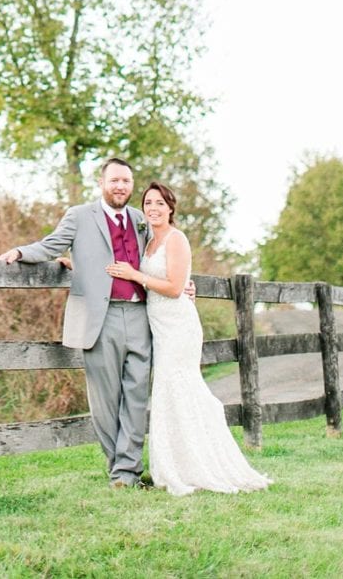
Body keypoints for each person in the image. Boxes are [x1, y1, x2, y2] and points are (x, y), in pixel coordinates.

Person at [0, 157, 167, 488]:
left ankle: (127, 472)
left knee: (136, 397)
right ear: (101, 183)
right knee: (105, 400)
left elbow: (158, 257)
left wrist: (182, 281)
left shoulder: (139, 219)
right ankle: (120, 469)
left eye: (126, 182)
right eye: (115, 180)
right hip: (100, 318)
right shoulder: (79, 216)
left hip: (140, 315)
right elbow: (51, 244)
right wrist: (20, 252)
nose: (121, 186)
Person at [101, 182, 271, 495]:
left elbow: (175, 287)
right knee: (169, 393)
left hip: (178, 327)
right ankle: (175, 465)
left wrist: (135, 275)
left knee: (181, 388)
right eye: (148, 202)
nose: (153, 208)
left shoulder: (176, 239)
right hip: (159, 327)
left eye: (159, 203)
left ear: (170, 208)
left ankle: (200, 464)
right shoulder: (149, 241)